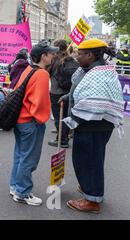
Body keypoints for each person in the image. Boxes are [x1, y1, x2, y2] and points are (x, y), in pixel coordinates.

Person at [62, 39, 124, 213]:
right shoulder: (92, 69)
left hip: (92, 126)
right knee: (92, 160)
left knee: (88, 161)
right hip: (94, 127)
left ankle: (92, 200)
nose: (76, 56)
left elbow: (94, 102)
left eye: (80, 54)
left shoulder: (99, 73)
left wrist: (73, 119)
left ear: (90, 55)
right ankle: (89, 186)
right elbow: (81, 89)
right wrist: (68, 97)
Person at [10, 40, 58, 206]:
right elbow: (40, 103)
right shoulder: (43, 74)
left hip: (20, 119)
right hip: (30, 121)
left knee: (20, 155)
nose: (53, 55)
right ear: (43, 56)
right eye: (51, 53)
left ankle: (15, 186)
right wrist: (41, 119)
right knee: (29, 158)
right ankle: (23, 192)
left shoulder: (28, 69)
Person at [47, 39, 79, 148]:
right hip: (68, 92)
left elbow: (48, 72)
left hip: (56, 92)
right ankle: (64, 134)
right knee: (66, 115)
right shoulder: (70, 59)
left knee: (59, 117)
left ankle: (62, 140)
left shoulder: (56, 60)